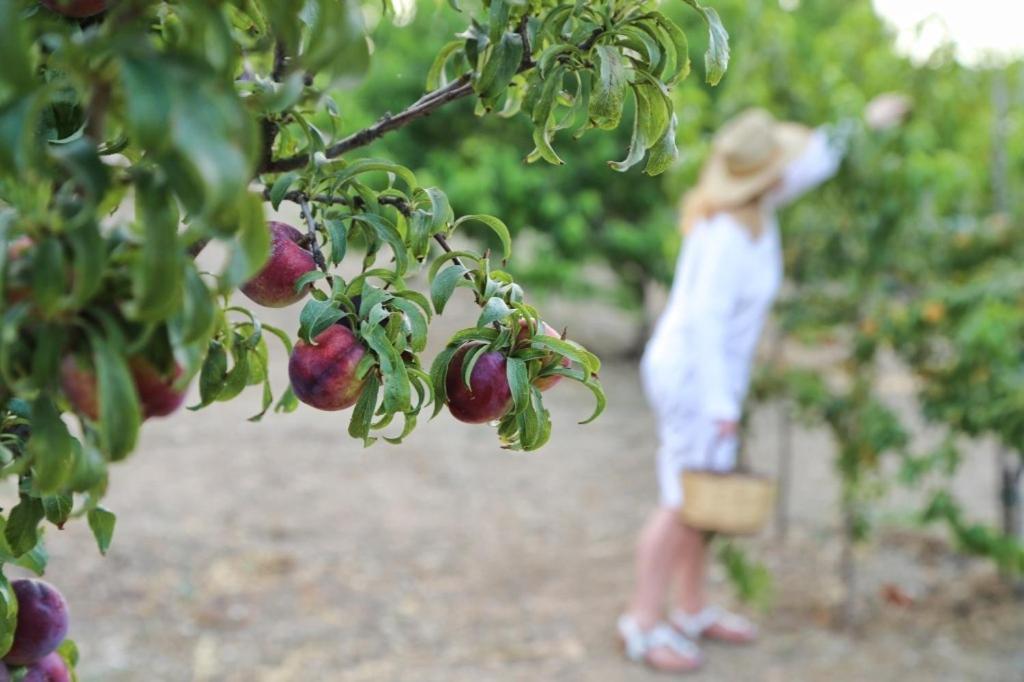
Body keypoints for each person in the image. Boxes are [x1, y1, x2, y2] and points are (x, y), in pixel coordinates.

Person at [617, 98, 909, 673]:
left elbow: (813, 163)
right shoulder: (726, 234)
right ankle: (643, 623)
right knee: (681, 500)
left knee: (700, 498)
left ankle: (692, 608)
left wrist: (865, 121)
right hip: (694, 376)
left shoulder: (754, 204)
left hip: (709, 375)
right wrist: (722, 404)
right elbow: (703, 323)